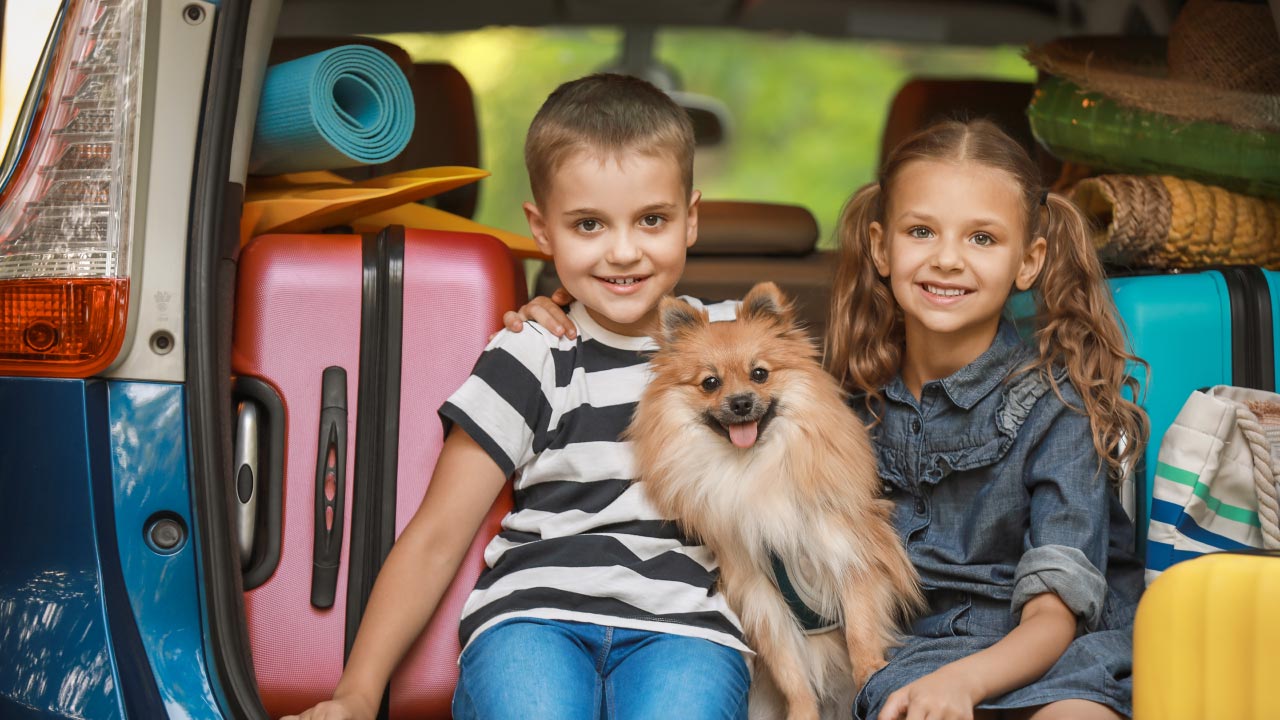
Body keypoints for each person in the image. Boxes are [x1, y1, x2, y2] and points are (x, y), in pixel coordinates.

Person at [510, 119, 1148, 720]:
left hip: (1052, 654)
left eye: (981, 238)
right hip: (910, 656)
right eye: (921, 232)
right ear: (880, 247)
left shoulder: (1057, 407)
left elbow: (1058, 609)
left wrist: (967, 683)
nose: (948, 259)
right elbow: (699, 359)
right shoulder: (849, 400)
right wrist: (566, 310)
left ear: (1029, 261)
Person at [284, 73, 750, 720]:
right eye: (588, 224)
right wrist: (357, 694)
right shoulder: (532, 352)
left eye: (652, 220)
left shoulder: (737, 344)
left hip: (686, 624)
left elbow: (811, 478)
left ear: (690, 218)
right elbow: (438, 534)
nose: (623, 252)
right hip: (534, 615)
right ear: (542, 229)